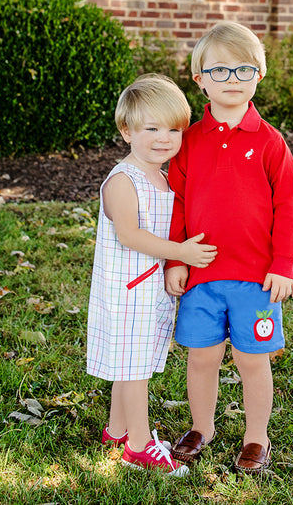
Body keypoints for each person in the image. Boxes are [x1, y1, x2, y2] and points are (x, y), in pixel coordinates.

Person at [165, 22, 293, 474]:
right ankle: (202, 426)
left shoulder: (269, 142)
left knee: (251, 359)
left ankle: (256, 437)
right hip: (202, 275)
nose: (232, 79)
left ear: (258, 75)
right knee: (202, 357)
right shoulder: (189, 142)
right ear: (199, 79)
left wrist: (283, 265)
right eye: (218, 70)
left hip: (255, 279)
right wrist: (176, 257)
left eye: (243, 69)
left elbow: (286, 205)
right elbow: (178, 200)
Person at [86, 73, 217, 476]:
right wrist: (182, 253)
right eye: (152, 128)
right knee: (135, 369)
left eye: (175, 129)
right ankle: (140, 446)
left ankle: (118, 429)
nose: (165, 138)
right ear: (126, 131)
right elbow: (129, 234)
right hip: (126, 292)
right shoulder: (124, 181)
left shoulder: (161, 175)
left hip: (148, 291)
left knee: (132, 362)